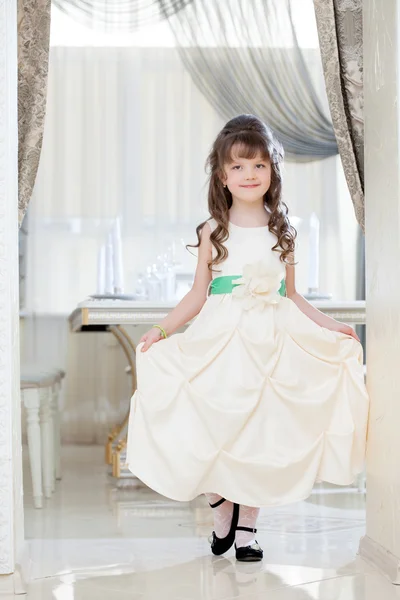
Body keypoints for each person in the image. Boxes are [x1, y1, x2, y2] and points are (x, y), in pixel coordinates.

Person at [126, 114, 369, 563]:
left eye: (258, 165)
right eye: (237, 167)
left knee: (261, 433)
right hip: (220, 340)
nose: (249, 174)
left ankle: (248, 531)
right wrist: (162, 330)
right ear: (222, 176)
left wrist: (330, 324)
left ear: (272, 171)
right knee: (213, 428)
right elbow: (198, 295)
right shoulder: (211, 231)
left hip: (272, 340)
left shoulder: (284, 230)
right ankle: (222, 511)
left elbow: (293, 295)